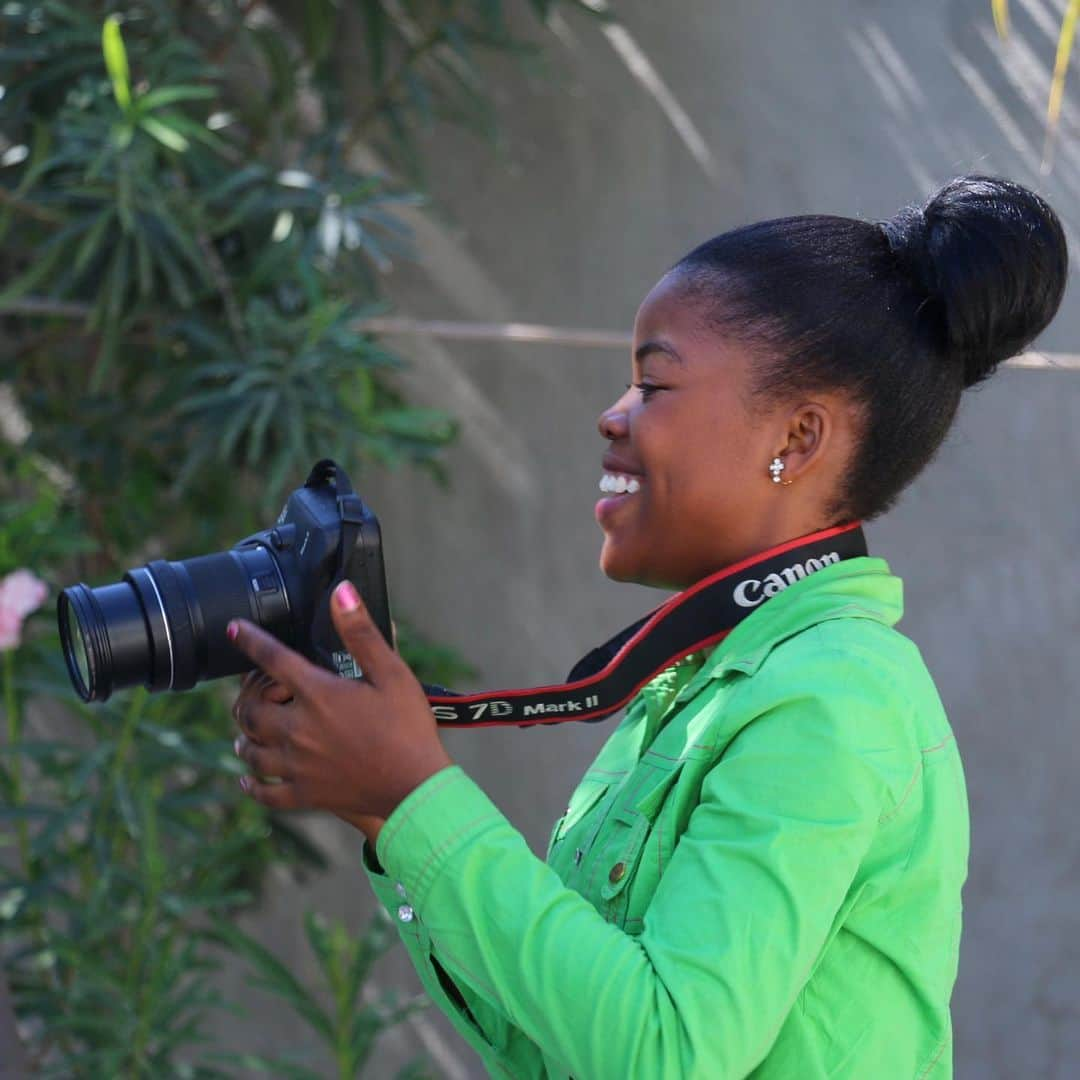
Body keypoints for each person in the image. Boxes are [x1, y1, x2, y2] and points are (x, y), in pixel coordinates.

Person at [228, 174, 1068, 1078]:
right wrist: (380, 808)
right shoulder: (701, 688)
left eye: (651, 383)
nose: (612, 415)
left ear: (795, 439)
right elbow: (553, 1036)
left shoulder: (831, 696)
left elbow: (666, 1051)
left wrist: (415, 800)